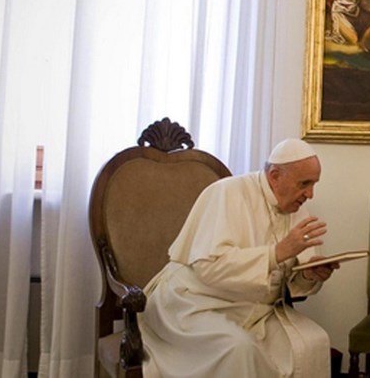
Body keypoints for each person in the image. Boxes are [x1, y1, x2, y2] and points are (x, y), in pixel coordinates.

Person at [138, 138, 340, 378]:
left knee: (313, 341)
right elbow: (209, 268)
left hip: (256, 311)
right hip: (194, 303)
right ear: (275, 176)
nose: (310, 194)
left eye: (314, 184)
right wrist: (277, 253)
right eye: (304, 183)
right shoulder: (227, 193)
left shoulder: (297, 207)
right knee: (238, 349)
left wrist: (308, 274)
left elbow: (289, 282)